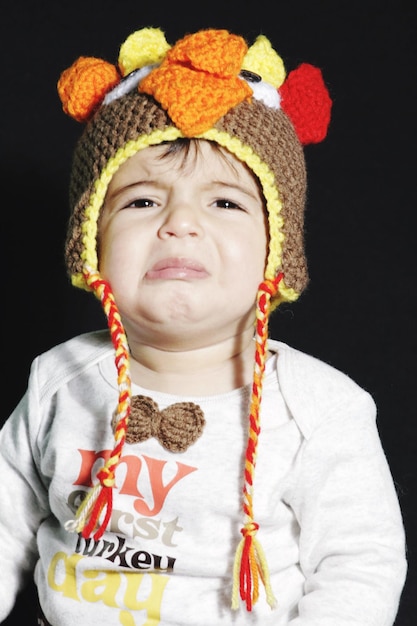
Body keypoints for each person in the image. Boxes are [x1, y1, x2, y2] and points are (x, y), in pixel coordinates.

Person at [0, 27, 407, 626]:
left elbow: (360, 566)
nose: (179, 224)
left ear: (277, 251)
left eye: (225, 203)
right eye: (141, 201)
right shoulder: (59, 380)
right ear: (91, 241)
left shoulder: (319, 407)